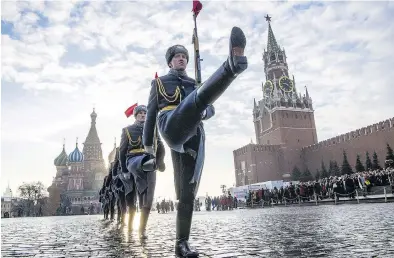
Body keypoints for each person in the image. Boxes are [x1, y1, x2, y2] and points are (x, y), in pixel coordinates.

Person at [143, 26, 247, 256]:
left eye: (184, 57)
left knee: (187, 193)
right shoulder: (160, 83)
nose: (181, 59)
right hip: (170, 124)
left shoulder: (194, 84)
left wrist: (206, 112)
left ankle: (182, 244)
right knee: (194, 101)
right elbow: (150, 116)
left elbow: (210, 110)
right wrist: (149, 150)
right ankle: (232, 65)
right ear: (170, 62)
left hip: (193, 134)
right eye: (177, 57)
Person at [119, 104, 165, 238]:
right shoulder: (127, 130)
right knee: (144, 162)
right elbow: (122, 152)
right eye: (140, 114)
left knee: (148, 198)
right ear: (136, 115)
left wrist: (160, 160)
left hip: (151, 162)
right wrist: (124, 171)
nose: (143, 116)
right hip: (133, 160)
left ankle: (142, 229)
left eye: (145, 114)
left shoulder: (152, 129)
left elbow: (160, 145)